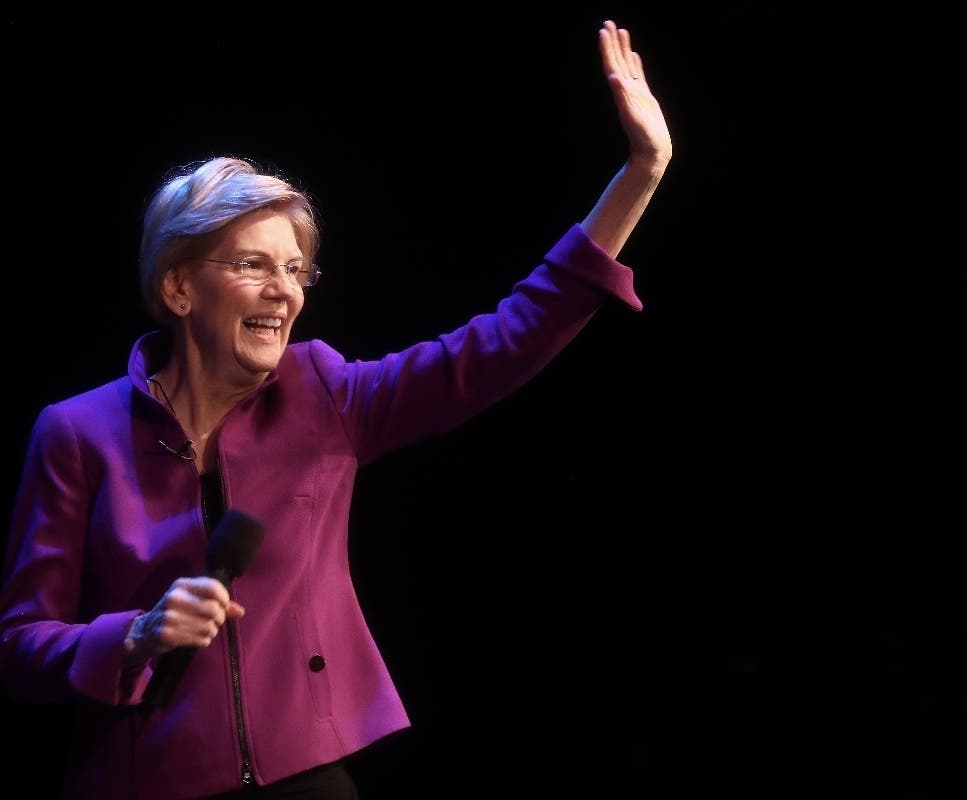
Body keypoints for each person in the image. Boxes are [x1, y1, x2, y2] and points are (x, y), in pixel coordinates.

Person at [0, 18, 671, 800]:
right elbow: (22, 649)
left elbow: (501, 343)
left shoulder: (324, 395)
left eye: (295, 269)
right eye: (252, 265)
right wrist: (138, 634)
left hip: (306, 777)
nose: (284, 290)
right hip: (144, 782)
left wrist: (641, 172)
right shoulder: (76, 433)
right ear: (178, 288)